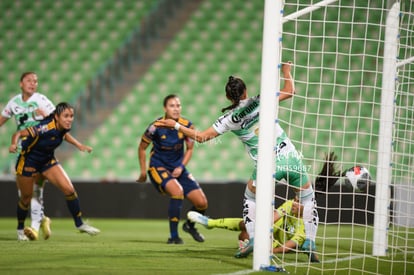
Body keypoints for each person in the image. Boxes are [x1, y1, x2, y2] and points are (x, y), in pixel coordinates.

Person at [155, 63, 319, 258]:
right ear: (245, 91)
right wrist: (286, 71)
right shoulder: (261, 100)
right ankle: (309, 241)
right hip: (290, 158)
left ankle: (252, 240)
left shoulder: (228, 118)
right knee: (308, 199)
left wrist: (175, 125)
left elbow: (200, 137)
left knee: (251, 199)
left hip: (267, 166)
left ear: (228, 97)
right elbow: (290, 91)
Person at [1, 72, 90, 241]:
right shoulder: (14, 102)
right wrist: (15, 143)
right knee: (26, 195)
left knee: (37, 191)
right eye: (29, 80)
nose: (33, 83)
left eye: (35, 81)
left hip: (43, 151)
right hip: (24, 152)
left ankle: (33, 228)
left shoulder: (42, 100)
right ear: (21, 83)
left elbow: (59, 126)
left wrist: (78, 144)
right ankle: (40, 220)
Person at [9, 102, 100, 240]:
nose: (70, 119)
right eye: (66, 116)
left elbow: (64, 135)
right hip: (28, 161)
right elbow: (19, 133)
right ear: (57, 117)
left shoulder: (62, 127)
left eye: (71, 116)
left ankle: (79, 224)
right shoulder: (44, 128)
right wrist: (14, 144)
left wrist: (79, 145)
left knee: (69, 190)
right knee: (26, 198)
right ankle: (20, 230)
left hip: (47, 161)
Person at [137, 94, 208, 244]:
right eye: (172, 106)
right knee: (177, 192)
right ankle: (174, 237)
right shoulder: (155, 127)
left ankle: (189, 226)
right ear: (165, 108)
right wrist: (143, 171)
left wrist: (181, 166)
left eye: (178, 105)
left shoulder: (187, 125)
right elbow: (142, 148)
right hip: (158, 166)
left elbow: (189, 149)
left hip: (178, 168)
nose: (176, 109)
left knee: (202, 203)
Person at [187, 197, 319, 262]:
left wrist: (269, 251)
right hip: (270, 233)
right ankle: (210, 223)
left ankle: (247, 243)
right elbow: (272, 218)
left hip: (276, 244)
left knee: (244, 234)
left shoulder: (306, 226)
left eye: (297, 202)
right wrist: (259, 225)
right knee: (248, 225)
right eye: (294, 200)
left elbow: (285, 248)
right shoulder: (290, 204)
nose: (293, 203)